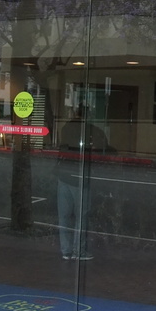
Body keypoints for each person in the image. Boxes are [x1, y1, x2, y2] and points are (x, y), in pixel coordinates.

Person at [55, 107, 109, 260]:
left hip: (63, 175)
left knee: (64, 216)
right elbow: (102, 147)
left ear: (76, 113)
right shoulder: (91, 130)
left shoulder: (66, 128)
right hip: (79, 177)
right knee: (81, 216)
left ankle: (66, 250)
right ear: (88, 115)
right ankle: (79, 250)